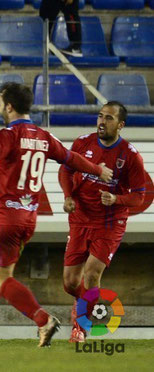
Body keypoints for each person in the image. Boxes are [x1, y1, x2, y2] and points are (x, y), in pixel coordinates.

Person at [0, 82, 113, 347]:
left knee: (0, 279)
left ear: (8, 106)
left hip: (4, 218)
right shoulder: (42, 135)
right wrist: (98, 170)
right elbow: (71, 158)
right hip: (27, 219)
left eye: (0, 102)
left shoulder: (8, 135)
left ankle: (43, 320)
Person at [59, 101, 146, 343]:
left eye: (108, 118)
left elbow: (140, 196)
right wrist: (68, 196)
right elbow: (65, 171)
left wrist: (117, 198)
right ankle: (83, 301)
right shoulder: (82, 143)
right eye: (100, 116)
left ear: (120, 125)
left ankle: (80, 328)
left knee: (92, 273)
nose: (102, 122)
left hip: (110, 222)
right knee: (70, 282)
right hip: (79, 219)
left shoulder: (130, 156)